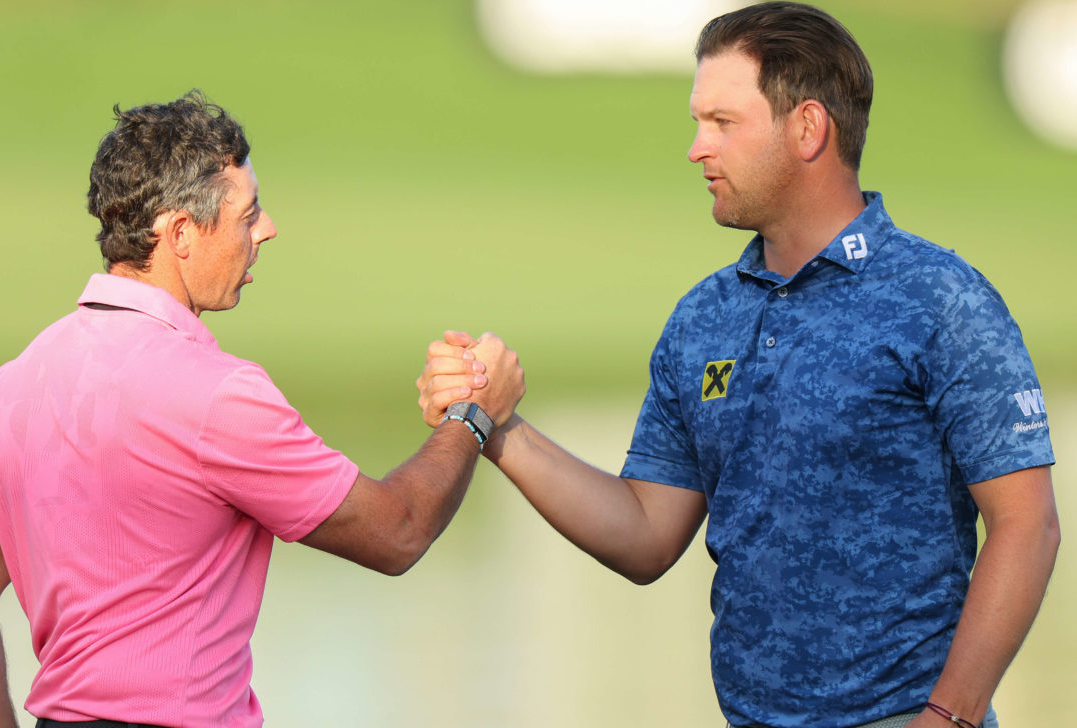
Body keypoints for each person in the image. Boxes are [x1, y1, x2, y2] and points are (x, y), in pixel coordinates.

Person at [417, 3, 1059, 727]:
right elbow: (646, 534)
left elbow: (1026, 525)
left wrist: (950, 718)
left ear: (809, 128)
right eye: (699, 122)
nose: (697, 148)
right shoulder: (703, 318)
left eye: (723, 123)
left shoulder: (940, 298)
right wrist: (501, 428)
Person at [0, 91, 524, 728]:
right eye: (248, 212)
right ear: (179, 233)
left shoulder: (7, 388)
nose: (266, 228)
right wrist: (475, 415)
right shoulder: (217, 396)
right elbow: (396, 532)